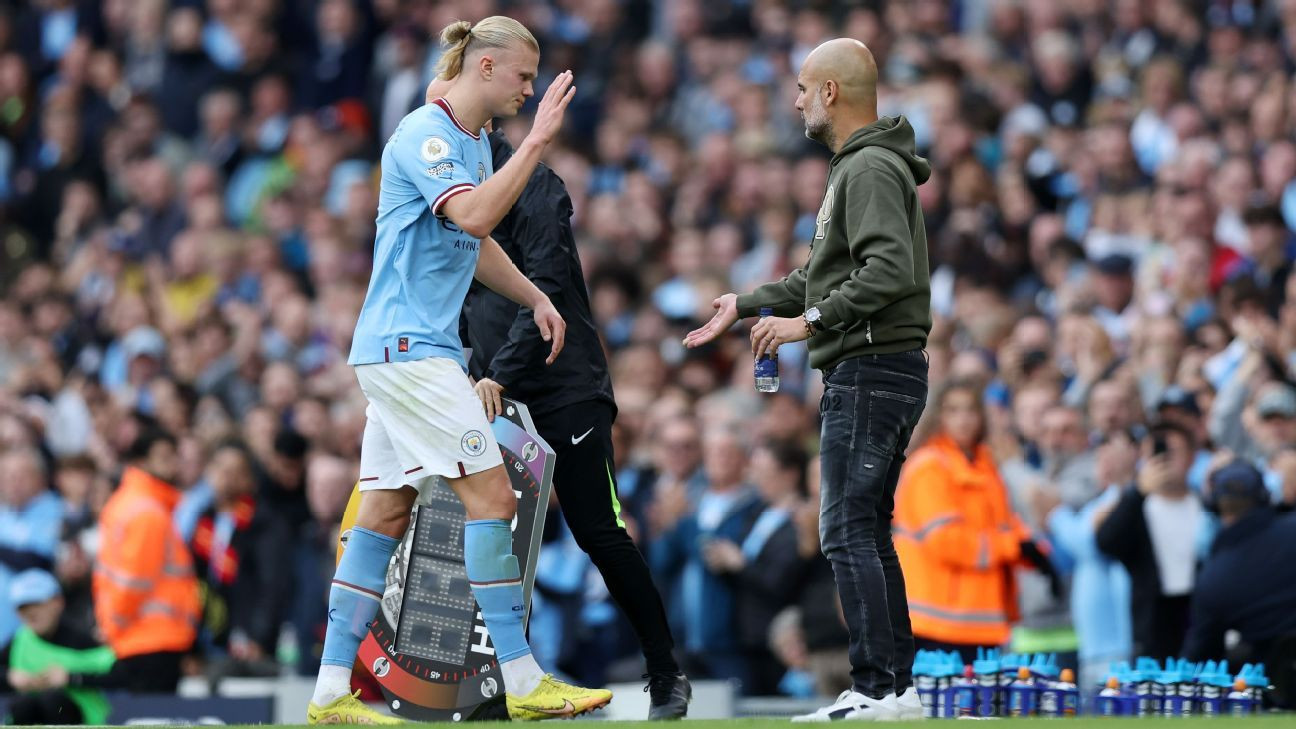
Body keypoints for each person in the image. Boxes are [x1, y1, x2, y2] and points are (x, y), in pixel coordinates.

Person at [308, 17, 611, 724]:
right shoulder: (427, 134)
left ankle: (327, 691)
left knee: (385, 509)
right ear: (484, 68)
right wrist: (536, 142)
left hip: (402, 350)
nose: (529, 91)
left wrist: (535, 293)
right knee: (494, 498)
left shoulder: (470, 143)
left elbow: (470, 244)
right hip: (410, 350)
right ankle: (523, 678)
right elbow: (474, 217)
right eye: (522, 77)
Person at [424, 69, 691, 716]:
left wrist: (496, 373)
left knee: (598, 530)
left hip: (561, 387)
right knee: (490, 538)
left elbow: (544, 292)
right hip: (495, 391)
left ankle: (665, 671)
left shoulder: (534, 186)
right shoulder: (457, 200)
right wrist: (462, 362)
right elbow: (460, 294)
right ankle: (495, 682)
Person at [685, 38, 931, 721]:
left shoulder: (870, 167)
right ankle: (896, 688)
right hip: (879, 367)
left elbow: (888, 272)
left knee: (847, 529)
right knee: (865, 528)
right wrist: (749, 303)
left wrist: (810, 323)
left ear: (829, 91)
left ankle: (878, 687)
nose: (794, 100)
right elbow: (819, 277)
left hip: (871, 367)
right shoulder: (863, 166)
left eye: (801, 86)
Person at [894, 380, 1055, 665]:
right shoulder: (929, 467)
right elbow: (947, 541)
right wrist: (1015, 547)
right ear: (938, 417)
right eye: (953, 410)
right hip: (937, 623)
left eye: (970, 410)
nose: (963, 419)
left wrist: (1036, 553)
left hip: (980, 620)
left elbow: (1006, 525)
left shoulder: (985, 466)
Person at [93, 421, 201, 692]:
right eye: (164, 457)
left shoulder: (129, 503)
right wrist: (115, 626)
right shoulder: (148, 513)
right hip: (151, 638)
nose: (173, 465)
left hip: (140, 637)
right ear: (141, 461)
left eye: (174, 456)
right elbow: (134, 582)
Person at [1094, 421, 1214, 660]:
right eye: (1156, 453)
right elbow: (1106, 541)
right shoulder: (1137, 505)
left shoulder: (1206, 505)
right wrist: (1138, 492)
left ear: (1192, 457)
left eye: (1173, 452)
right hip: (1154, 617)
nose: (1164, 460)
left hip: (1199, 610)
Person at [1181, 460, 1296, 672]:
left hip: (1276, 685)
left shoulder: (1213, 578)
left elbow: (1199, 660)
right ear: (1265, 496)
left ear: (1214, 505)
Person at [0, 569, 115, 725]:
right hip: (32, 713)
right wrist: (10, 678)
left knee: (53, 701)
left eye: (37, 603)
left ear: (58, 602)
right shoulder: (18, 641)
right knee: (24, 706)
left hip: (79, 717)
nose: (31, 612)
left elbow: (120, 673)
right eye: (23, 606)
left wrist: (71, 678)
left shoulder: (81, 638)